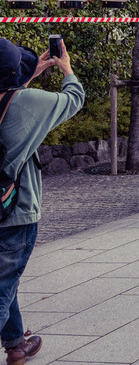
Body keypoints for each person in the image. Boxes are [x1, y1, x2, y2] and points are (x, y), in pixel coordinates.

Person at [0, 37, 83, 365]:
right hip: (15, 210)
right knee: (5, 280)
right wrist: (66, 70)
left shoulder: (17, 96)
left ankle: (16, 343)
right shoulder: (27, 103)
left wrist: (29, 75)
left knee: (6, 277)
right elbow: (73, 100)